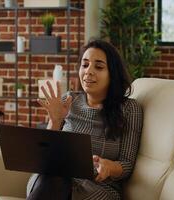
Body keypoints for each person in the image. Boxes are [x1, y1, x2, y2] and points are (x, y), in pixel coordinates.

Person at [27, 39, 143, 200]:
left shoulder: (129, 109)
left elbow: (127, 164)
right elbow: (45, 157)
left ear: (112, 73)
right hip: (53, 180)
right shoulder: (69, 100)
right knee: (53, 178)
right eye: (85, 64)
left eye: (99, 66)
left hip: (97, 188)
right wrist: (54, 121)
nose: (88, 71)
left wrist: (109, 167)